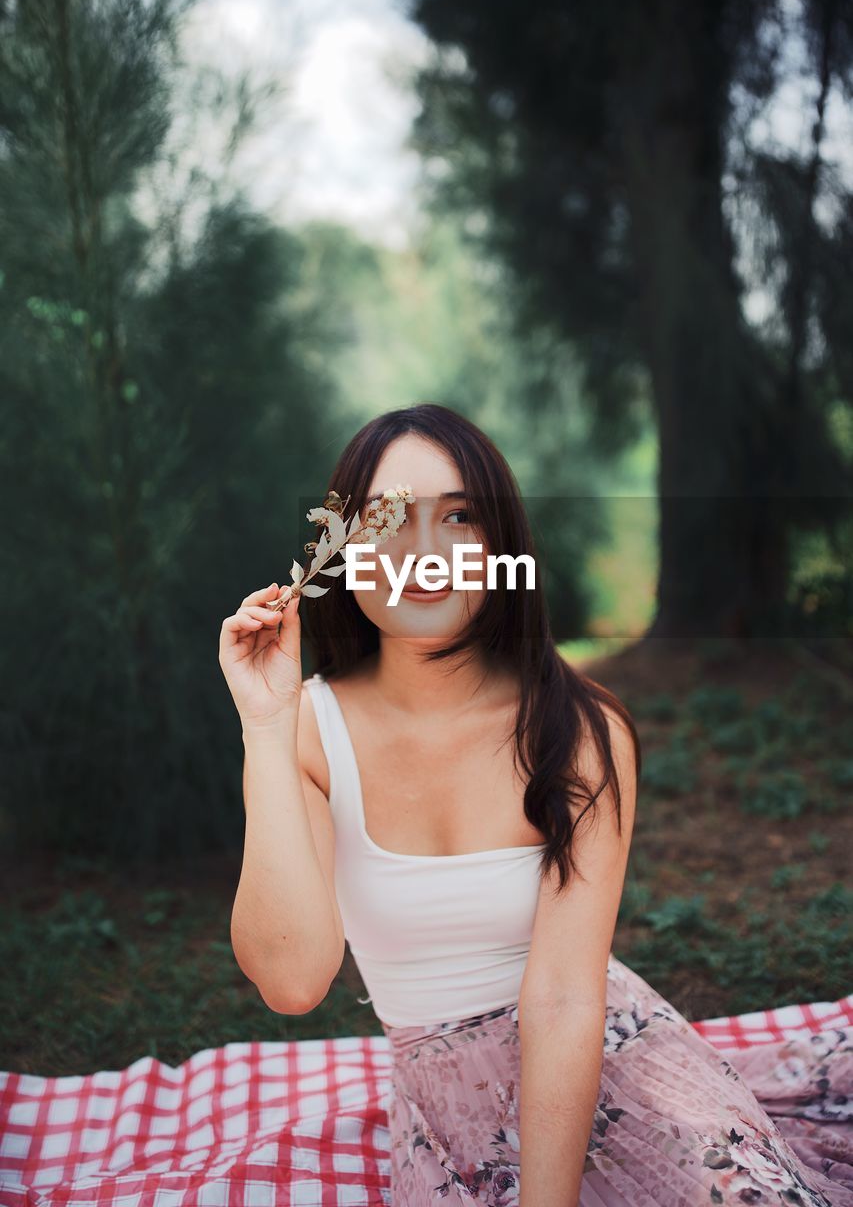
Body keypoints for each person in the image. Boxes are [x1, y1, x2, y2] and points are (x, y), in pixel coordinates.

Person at [220, 403, 853, 1206]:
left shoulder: (579, 728)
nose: (425, 552)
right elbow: (291, 980)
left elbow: (561, 997)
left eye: (458, 517)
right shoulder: (309, 728)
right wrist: (266, 727)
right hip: (446, 1114)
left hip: (603, 1055)